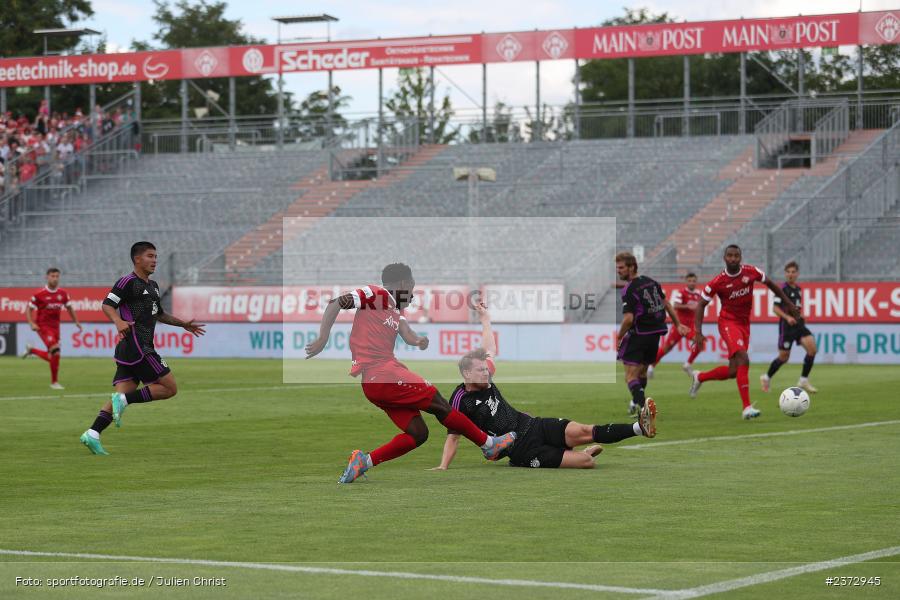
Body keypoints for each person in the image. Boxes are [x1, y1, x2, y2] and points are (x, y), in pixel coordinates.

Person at [305, 263, 516, 484]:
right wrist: (322, 338)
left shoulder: (397, 308)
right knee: (439, 402)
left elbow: (406, 333)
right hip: (381, 373)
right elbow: (336, 303)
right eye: (413, 288)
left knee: (418, 433)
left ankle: (363, 462)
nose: (413, 294)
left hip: (376, 382)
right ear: (405, 283)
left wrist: (418, 341)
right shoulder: (376, 294)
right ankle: (489, 445)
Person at [432, 303, 656, 470]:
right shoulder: (460, 400)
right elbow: (453, 436)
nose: (486, 372)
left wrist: (485, 319)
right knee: (587, 462)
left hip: (533, 425)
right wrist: (443, 466)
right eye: (480, 370)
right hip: (522, 449)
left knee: (585, 430)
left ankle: (639, 427)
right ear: (466, 374)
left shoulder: (485, 375)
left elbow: (489, 346)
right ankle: (579, 453)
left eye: (485, 368)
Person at [79, 242, 206, 455]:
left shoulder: (154, 286)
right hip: (138, 345)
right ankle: (124, 401)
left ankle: (92, 433)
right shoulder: (127, 282)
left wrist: (183, 324)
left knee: (121, 394)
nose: (155, 260)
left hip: (130, 348)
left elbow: (160, 314)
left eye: (156, 256)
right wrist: (118, 321)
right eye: (150, 256)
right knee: (169, 388)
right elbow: (107, 304)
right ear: (137, 259)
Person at [689, 245, 800, 419]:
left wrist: (790, 305)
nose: (733, 259)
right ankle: (747, 407)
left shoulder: (751, 272)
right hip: (727, 322)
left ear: (740, 258)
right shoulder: (718, 281)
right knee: (744, 358)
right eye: (730, 256)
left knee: (734, 371)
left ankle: (700, 377)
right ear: (724, 258)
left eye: (736, 256)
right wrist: (698, 331)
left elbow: (772, 285)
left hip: (744, 325)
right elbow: (701, 304)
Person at [616, 252, 689, 415]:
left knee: (629, 376)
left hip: (639, 334)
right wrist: (678, 324)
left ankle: (643, 407)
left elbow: (628, 319)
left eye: (621, 268)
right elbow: (667, 304)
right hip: (655, 334)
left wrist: (619, 336)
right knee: (642, 372)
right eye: (617, 268)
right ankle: (635, 403)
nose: (618, 271)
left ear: (631, 267)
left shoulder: (629, 289)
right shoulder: (651, 282)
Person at [760, 261, 818, 394]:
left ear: (797, 274)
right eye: (788, 272)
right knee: (784, 357)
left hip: (799, 326)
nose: (790, 274)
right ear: (785, 274)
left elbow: (796, 308)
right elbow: (775, 308)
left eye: (793, 272)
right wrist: (787, 317)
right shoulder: (782, 290)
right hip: (786, 327)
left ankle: (803, 380)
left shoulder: (798, 289)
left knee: (812, 349)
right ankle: (766, 377)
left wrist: (800, 316)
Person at [22, 268, 82, 389]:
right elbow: (28, 309)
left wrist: (76, 321)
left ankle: (32, 351)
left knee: (54, 356)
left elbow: (69, 307)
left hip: (56, 327)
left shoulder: (63, 294)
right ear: (47, 277)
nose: (55, 278)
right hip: (43, 326)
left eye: (57, 276)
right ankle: (54, 383)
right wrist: (31, 323)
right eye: (52, 276)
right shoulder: (39, 294)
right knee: (55, 350)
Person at [647, 272, 703, 380]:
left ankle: (687, 364)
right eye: (690, 281)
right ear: (686, 281)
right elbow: (676, 305)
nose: (692, 283)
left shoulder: (698, 294)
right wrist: (688, 306)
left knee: (700, 342)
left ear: (696, 282)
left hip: (691, 326)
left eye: (694, 281)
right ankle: (651, 366)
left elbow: (699, 307)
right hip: (680, 325)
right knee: (667, 348)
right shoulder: (681, 293)